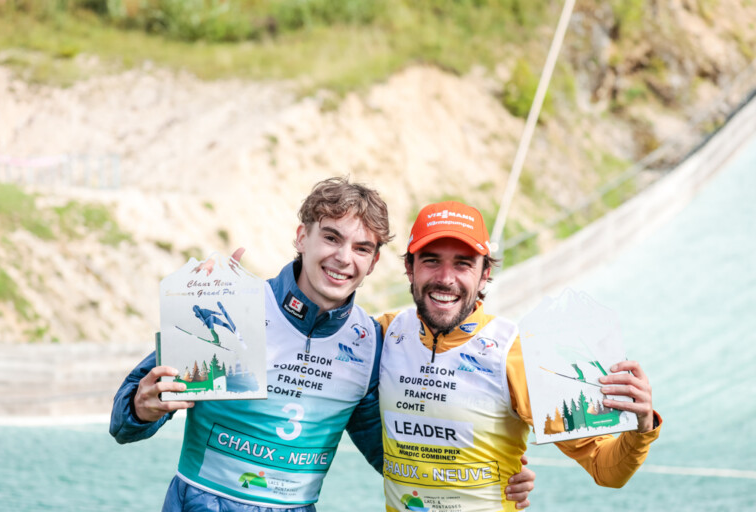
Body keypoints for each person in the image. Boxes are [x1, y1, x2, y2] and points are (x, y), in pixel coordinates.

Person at [110, 178, 535, 511]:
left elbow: (394, 457)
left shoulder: (370, 343)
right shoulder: (233, 302)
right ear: (302, 237)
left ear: (374, 262)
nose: (343, 258)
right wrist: (142, 408)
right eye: (331, 238)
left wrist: (493, 474)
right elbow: (124, 421)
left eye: (361, 247)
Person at [376, 201, 662, 512]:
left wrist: (642, 426)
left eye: (463, 264)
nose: (446, 278)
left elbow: (606, 470)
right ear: (409, 268)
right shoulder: (384, 335)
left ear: (485, 273)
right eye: (431, 261)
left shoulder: (516, 353)